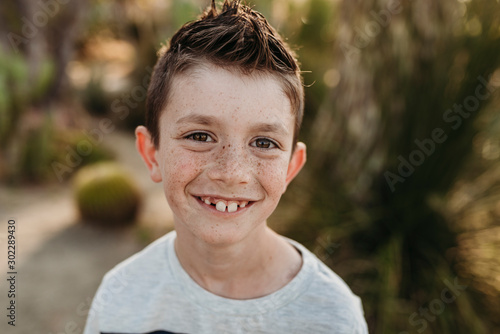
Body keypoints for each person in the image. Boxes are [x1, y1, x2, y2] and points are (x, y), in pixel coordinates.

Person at [84, 1, 368, 333]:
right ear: (151, 153)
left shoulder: (331, 317)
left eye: (264, 143)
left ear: (291, 168)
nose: (231, 172)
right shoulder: (120, 298)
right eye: (200, 136)